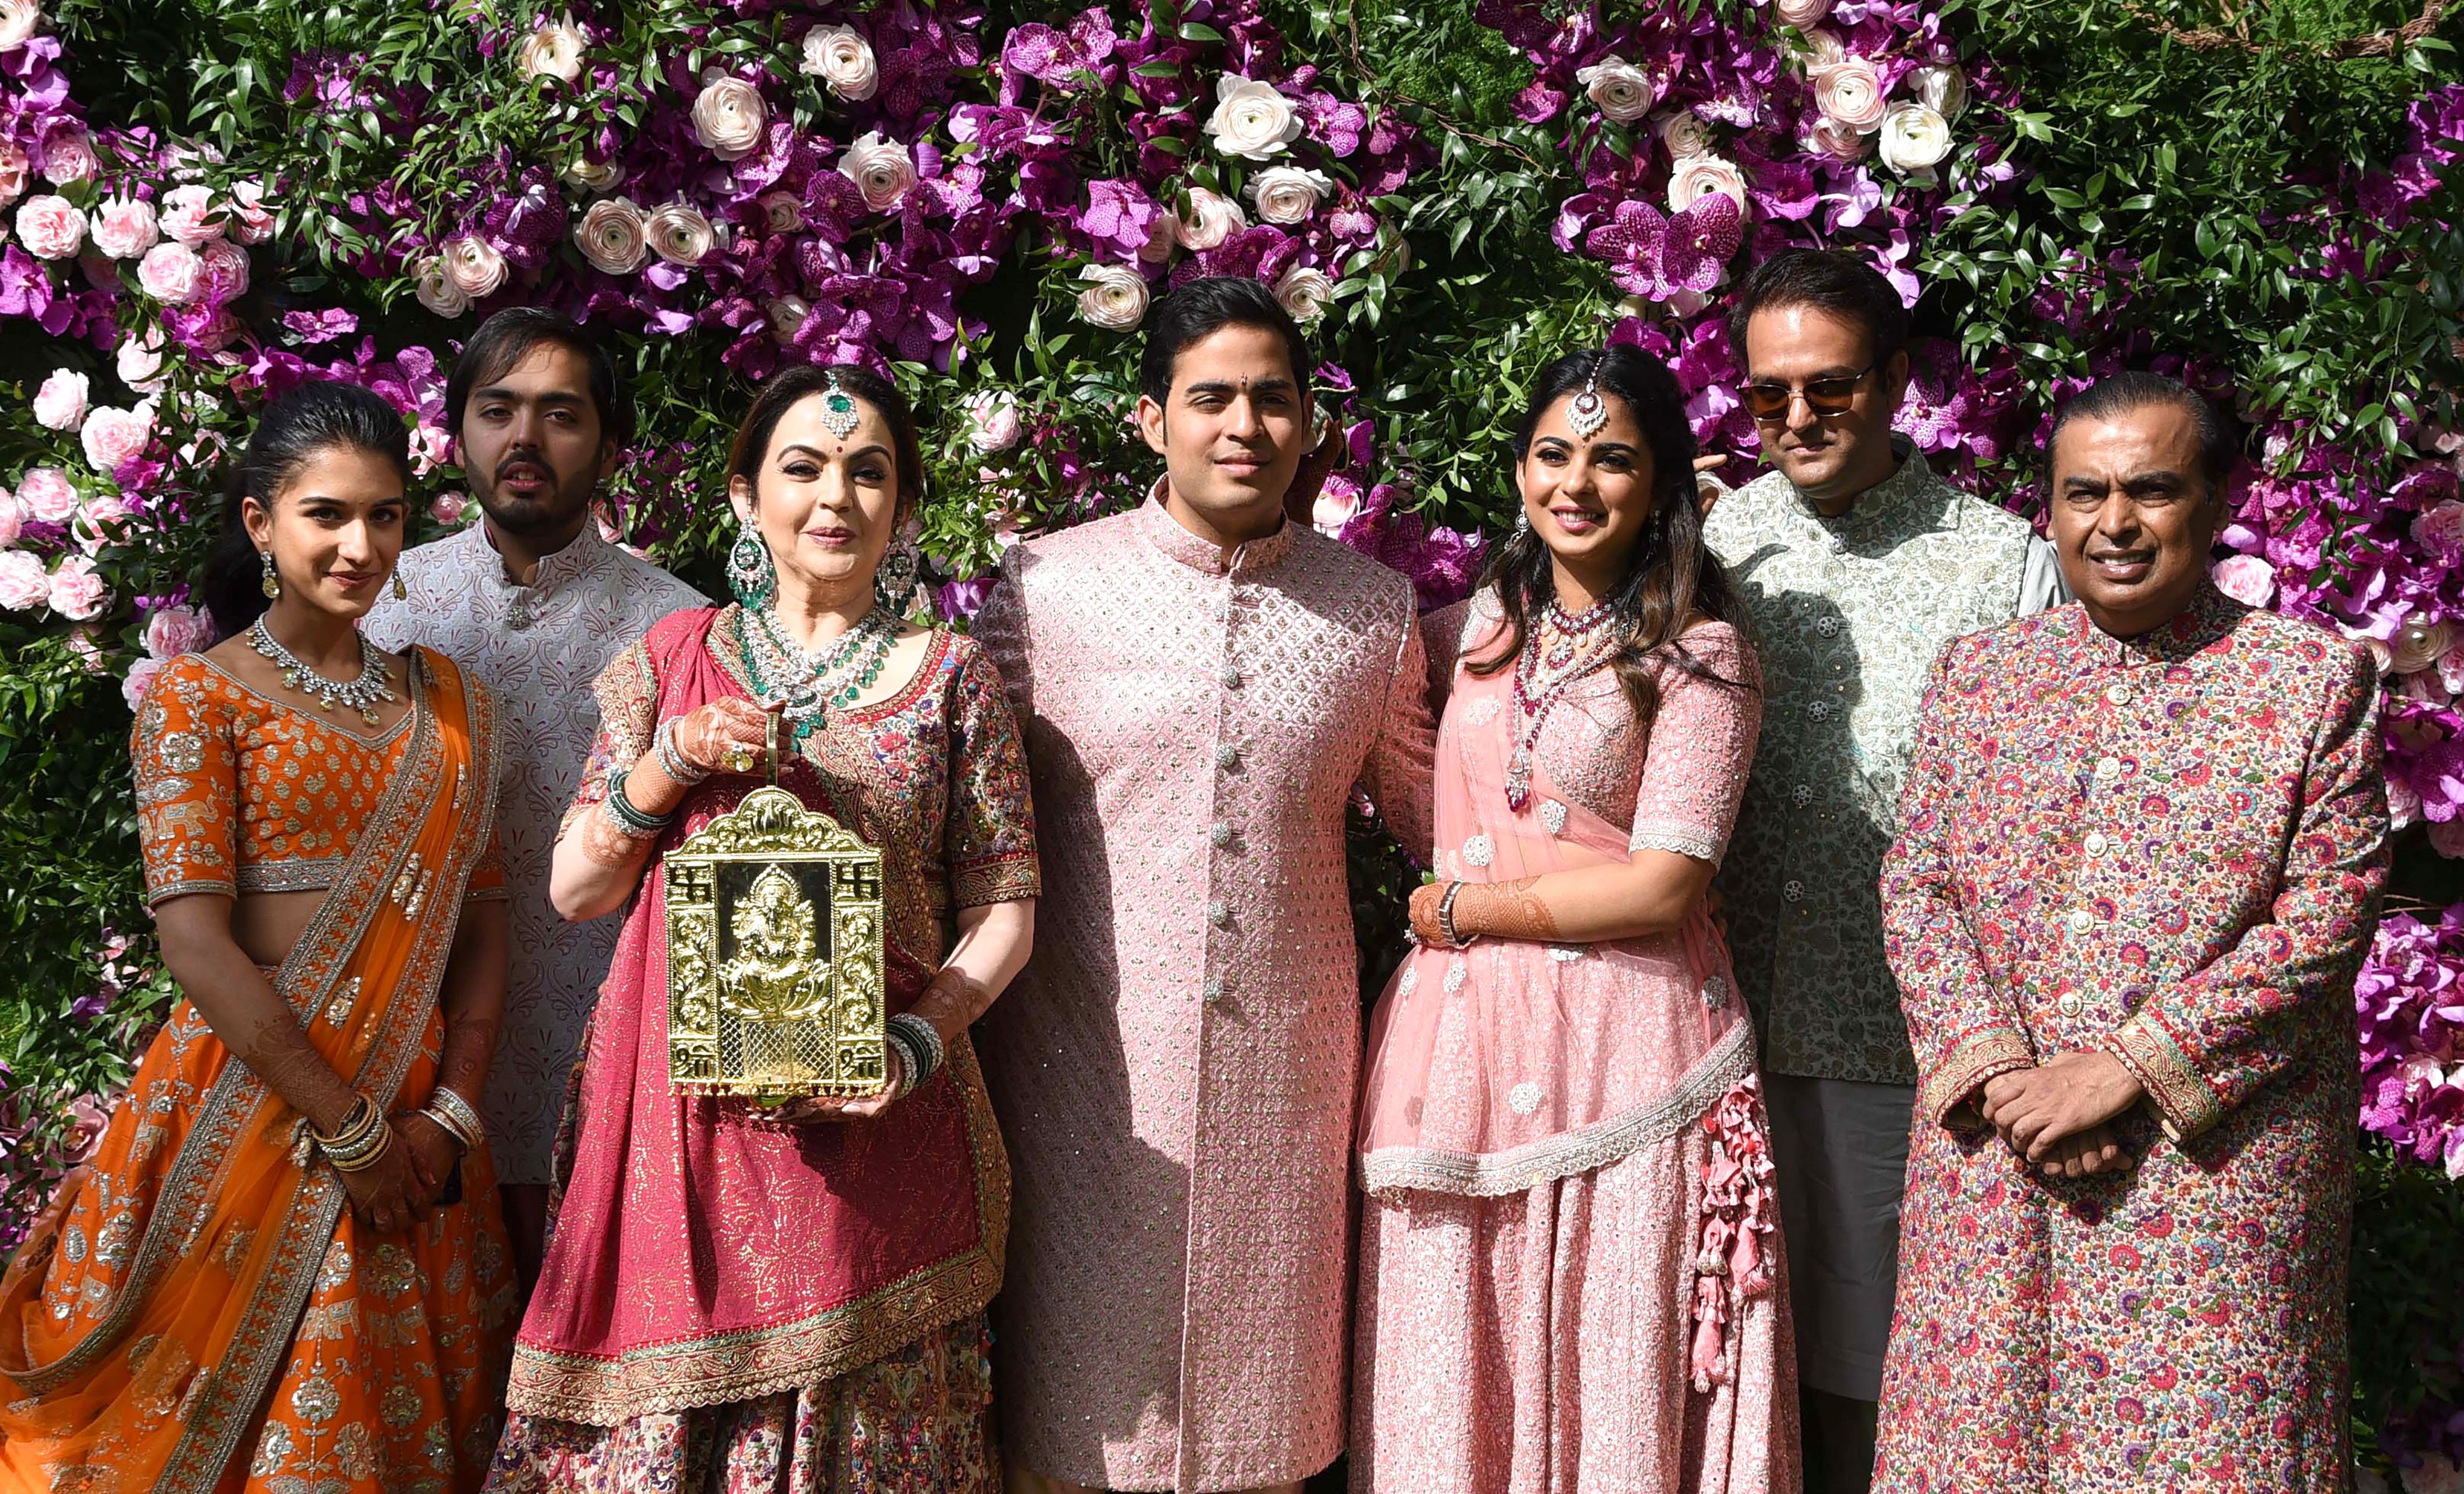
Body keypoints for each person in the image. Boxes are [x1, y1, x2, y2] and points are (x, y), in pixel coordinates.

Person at [487, 363, 1039, 1491]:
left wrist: (917, 1042)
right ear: (746, 498)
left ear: (906, 510)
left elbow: (1005, 914)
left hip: (875, 1128)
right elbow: (576, 889)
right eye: (804, 467)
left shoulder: (951, 680)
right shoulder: (672, 663)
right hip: (682, 1135)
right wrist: (673, 760)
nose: (836, 495)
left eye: (869, 471)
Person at [0, 382, 518, 1492]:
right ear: (260, 524)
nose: (358, 544)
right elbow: (195, 943)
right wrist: (353, 1129)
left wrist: (450, 1115)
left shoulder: (452, 705)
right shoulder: (199, 697)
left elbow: (483, 924)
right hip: (258, 1101)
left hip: (417, 1124)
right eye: (326, 514)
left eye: (384, 516)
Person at [1873, 373, 2386, 1490]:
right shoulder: (1983, 677)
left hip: (2207, 1179)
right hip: (1996, 1164)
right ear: (2049, 508)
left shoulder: (2308, 682)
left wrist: (2126, 1070)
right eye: (2084, 492)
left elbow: (2326, 916)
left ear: (2214, 502)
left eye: (2151, 490)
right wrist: (2011, 1080)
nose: (2114, 522)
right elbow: (1917, 884)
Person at [972, 277, 1435, 1494]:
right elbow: (958, 817)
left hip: (1288, 1099)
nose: (1244, 426)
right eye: (1212, 398)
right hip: (1080, 1092)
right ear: (1149, 420)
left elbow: (1445, 824)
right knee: (1072, 1434)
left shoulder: (1370, 609)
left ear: (1308, 424)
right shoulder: (1042, 588)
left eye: (1272, 399)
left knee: (1261, 1443)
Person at [1352, 346, 1798, 1492]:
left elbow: (1665, 884)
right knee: (1455, 1340)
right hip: (1459, 1046)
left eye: (1613, 460)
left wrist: (1470, 907)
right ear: (1517, 471)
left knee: (1620, 1348)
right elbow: (1409, 792)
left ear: (1660, 486)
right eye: (1554, 454)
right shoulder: (1459, 637)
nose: (1577, 484)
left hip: (1636, 1053)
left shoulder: (1703, 653)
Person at [1696, 248, 2065, 1492]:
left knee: (1872, 1380)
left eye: (1830, 389)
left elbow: (2030, 821)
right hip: (1716, 1025)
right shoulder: (1720, 535)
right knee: (1724, 1360)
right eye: (1765, 395)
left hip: (1893, 1046)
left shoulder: (1996, 561)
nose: (1794, 417)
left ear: (1898, 382)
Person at [365, 307, 703, 1286]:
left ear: (606, 444)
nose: (523, 439)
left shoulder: (678, 623)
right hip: (403, 1057)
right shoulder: (384, 601)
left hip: (601, 1058)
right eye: (497, 409)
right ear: (457, 431)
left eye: (560, 415)